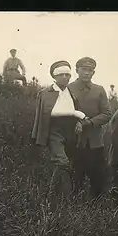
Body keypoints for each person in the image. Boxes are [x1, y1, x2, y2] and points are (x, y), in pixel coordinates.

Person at [31, 60, 86, 212]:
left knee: (67, 165)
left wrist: (79, 122)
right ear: (55, 76)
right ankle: (59, 198)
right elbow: (45, 114)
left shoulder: (72, 93)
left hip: (70, 131)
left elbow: (78, 110)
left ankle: (56, 198)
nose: (65, 78)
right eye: (61, 75)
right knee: (62, 162)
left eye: (68, 75)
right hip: (54, 131)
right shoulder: (45, 93)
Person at [67, 57, 113, 199]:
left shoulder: (99, 90)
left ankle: (95, 208)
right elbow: (62, 112)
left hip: (95, 141)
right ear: (77, 71)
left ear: (93, 73)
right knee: (74, 174)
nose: (87, 73)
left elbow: (107, 113)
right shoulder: (68, 88)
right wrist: (74, 123)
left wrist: (89, 123)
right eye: (84, 69)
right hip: (73, 140)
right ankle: (73, 206)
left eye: (90, 70)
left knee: (98, 176)